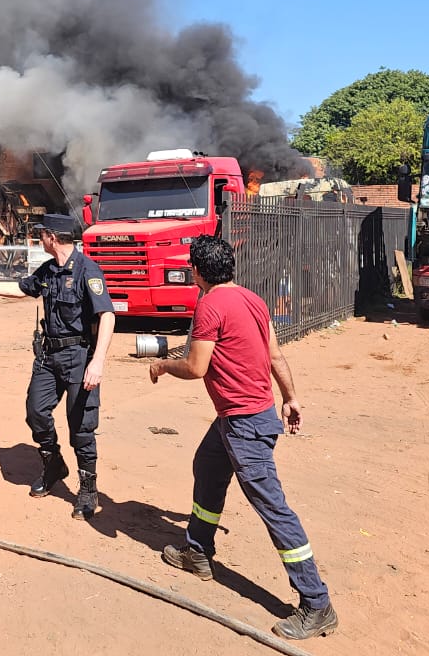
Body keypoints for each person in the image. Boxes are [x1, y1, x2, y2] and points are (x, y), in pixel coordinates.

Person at [149, 234, 338, 641]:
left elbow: (197, 367)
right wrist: (290, 398)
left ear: (197, 271)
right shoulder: (252, 299)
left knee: (273, 508)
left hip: (244, 423)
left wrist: (165, 365)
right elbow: (274, 356)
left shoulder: (210, 304)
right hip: (249, 417)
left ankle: (317, 602)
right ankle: (197, 551)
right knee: (207, 466)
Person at [19, 213, 116, 521]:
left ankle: (88, 488)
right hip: (49, 357)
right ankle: (53, 464)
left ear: (52, 236)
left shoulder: (88, 269)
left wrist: (97, 361)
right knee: (36, 411)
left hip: (80, 356)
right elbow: (23, 288)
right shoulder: (48, 270)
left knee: (81, 426)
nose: (39, 239)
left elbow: (108, 316)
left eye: (41, 234)